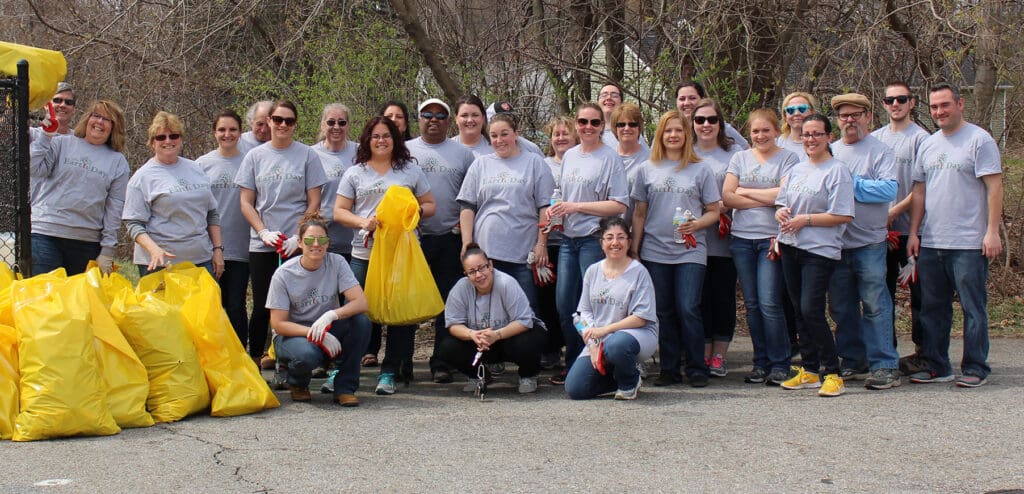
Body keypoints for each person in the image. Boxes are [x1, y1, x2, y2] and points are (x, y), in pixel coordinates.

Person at [906, 82, 1003, 388]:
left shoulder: (979, 140)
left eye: (945, 105)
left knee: (973, 308)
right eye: (934, 107)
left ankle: (975, 366)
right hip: (933, 241)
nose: (939, 112)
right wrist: (914, 232)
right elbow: (919, 191)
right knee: (933, 309)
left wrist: (991, 232)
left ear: (960, 104)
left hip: (969, 243)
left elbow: (994, 187)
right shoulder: (929, 144)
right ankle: (937, 365)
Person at [334, 116, 436, 395]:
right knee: (355, 313)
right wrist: (361, 222)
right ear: (367, 139)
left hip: (400, 256)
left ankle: (390, 371)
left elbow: (430, 205)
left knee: (400, 316)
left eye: (387, 136)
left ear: (395, 139)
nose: (381, 140)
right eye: (375, 136)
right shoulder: (355, 173)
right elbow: (339, 211)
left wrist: (412, 211)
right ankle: (343, 370)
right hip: (364, 254)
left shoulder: (410, 171)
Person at [631, 109, 720, 388]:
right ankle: (669, 368)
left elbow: (714, 211)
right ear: (660, 134)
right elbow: (639, 214)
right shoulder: (646, 169)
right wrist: (635, 249)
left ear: (686, 135)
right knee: (663, 311)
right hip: (655, 250)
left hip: (690, 250)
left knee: (688, 307)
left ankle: (696, 367)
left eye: (678, 130)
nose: (673, 135)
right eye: (668, 130)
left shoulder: (701, 168)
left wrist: (697, 224)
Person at [236, 100, 328, 364]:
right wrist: (263, 231)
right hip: (264, 243)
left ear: (295, 124)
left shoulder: (308, 155)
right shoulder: (255, 156)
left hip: (297, 243)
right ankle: (255, 357)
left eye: (289, 121)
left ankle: (289, 358)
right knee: (264, 304)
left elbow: (314, 201)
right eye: (278, 120)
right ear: (269, 123)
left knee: (296, 304)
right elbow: (246, 202)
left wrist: (298, 237)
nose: (283, 125)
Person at [547, 102, 628, 384]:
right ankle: (576, 362)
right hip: (568, 240)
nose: (588, 127)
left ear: (602, 126)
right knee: (565, 304)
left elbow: (618, 204)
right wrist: (557, 211)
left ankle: (600, 362)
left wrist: (576, 206)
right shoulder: (569, 155)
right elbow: (563, 198)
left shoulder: (610, 158)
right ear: (576, 125)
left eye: (594, 123)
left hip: (594, 239)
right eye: (583, 122)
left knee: (594, 305)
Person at [775, 113, 854, 397]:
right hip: (790, 245)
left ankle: (832, 372)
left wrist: (805, 220)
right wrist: (781, 211)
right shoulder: (797, 169)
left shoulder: (837, 171)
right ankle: (809, 370)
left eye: (817, 134)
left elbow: (843, 214)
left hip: (819, 251)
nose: (811, 140)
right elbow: (782, 203)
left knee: (811, 309)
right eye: (807, 135)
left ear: (829, 137)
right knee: (798, 310)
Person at [827, 93, 901, 390]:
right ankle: (853, 359)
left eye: (856, 114)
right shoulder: (830, 151)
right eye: (844, 116)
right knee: (841, 307)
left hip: (870, 242)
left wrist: (849, 183)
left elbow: (887, 190)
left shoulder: (881, 152)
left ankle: (884, 365)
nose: (850, 120)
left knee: (875, 304)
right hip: (836, 243)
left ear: (869, 116)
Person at [723, 109, 800, 385]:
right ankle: (760, 362)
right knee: (753, 305)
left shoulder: (788, 158)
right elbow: (727, 197)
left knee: (770, 302)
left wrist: (745, 191)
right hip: (742, 239)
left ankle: (780, 362)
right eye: (755, 131)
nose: (760, 136)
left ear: (776, 131)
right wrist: (765, 198)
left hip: (771, 239)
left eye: (765, 130)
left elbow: (785, 194)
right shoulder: (740, 158)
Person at [266, 215, 372, 406]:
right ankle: (297, 383)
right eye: (309, 240)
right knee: (306, 356)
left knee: (361, 322)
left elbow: (361, 302)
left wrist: (331, 315)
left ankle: (345, 388)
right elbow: (278, 323)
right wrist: (314, 333)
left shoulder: (337, 262)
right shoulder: (284, 274)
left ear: (328, 242)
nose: (316, 244)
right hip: (294, 334)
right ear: (299, 242)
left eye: (321, 239)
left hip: (328, 326)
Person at [407, 97, 475, 384]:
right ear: (418, 119)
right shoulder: (406, 151)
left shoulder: (462, 154)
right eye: (427, 114)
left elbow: (470, 198)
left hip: (450, 238)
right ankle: (401, 364)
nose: (433, 119)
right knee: (410, 303)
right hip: (412, 240)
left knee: (448, 303)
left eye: (440, 115)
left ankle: (441, 363)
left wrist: (465, 239)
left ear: (449, 121)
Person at [457, 112, 555, 308]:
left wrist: (541, 243)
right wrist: (467, 243)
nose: (499, 140)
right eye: (494, 136)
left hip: (522, 254)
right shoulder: (480, 164)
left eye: (504, 134)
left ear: (516, 134)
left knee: (525, 312)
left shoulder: (535, 163)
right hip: (486, 255)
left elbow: (545, 206)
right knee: (489, 311)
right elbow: (467, 206)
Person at [29, 99, 129, 276]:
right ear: (87, 119)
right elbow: (33, 168)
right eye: (96, 116)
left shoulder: (118, 162)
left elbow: (114, 209)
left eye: (107, 119)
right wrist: (46, 135)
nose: (99, 122)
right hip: (45, 234)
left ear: (114, 127)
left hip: (86, 243)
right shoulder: (61, 143)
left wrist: (107, 250)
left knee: (76, 302)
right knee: (43, 298)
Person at [871, 82, 930, 374]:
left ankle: (924, 352)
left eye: (901, 99)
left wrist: (895, 210)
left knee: (920, 297)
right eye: (889, 99)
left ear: (912, 102)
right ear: (882, 104)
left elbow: (922, 185)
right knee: (883, 294)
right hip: (880, 232)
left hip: (911, 230)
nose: (895, 104)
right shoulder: (875, 139)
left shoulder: (922, 139)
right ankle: (886, 353)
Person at [565, 217, 658, 400]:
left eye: (621, 237)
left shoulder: (639, 272)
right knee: (575, 388)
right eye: (609, 238)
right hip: (600, 338)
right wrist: (592, 343)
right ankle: (622, 373)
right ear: (602, 243)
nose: (615, 243)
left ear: (629, 242)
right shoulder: (593, 271)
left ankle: (628, 383)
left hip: (635, 334)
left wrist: (604, 330)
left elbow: (641, 317)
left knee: (617, 344)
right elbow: (583, 312)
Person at [437, 243, 546, 394]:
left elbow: (525, 321)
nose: (479, 275)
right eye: (472, 272)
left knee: (531, 339)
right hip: (480, 341)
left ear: (490, 265)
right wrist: (471, 334)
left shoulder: (507, 283)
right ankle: (478, 377)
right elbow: (453, 324)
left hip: (508, 337)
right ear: (466, 275)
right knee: (447, 347)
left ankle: (528, 375)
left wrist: (497, 335)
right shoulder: (460, 289)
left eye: (482, 268)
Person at [123, 111, 222, 277]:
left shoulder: (196, 169)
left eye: (173, 136)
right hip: (160, 265)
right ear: (152, 143)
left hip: (201, 262)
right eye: (161, 137)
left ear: (181, 139)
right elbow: (133, 223)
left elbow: (212, 213)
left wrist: (218, 250)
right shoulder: (142, 177)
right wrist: (154, 250)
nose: (168, 141)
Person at [691, 99, 742, 378]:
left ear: (720, 124)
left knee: (722, 297)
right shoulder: (686, 153)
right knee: (698, 300)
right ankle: (704, 351)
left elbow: (743, 188)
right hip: (693, 238)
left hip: (724, 237)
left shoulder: (734, 153)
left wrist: (719, 206)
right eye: (700, 120)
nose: (706, 125)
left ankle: (719, 355)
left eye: (712, 120)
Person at [197, 110, 249, 344]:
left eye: (232, 129)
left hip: (242, 247)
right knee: (212, 306)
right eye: (222, 130)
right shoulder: (201, 165)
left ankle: (241, 359)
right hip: (208, 249)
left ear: (240, 133)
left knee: (237, 305)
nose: (227, 134)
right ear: (214, 133)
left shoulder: (251, 160)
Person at [538, 116, 579, 368]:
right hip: (546, 241)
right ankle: (550, 348)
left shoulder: (580, 164)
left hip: (572, 240)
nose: (561, 138)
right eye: (556, 134)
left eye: (566, 134)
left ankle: (574, 348)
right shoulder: (543, 165)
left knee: (571, 300)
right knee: (548, 300)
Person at [312, 103, 358, 260]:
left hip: (356, 240)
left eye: (342, 122)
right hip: (323, 240)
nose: (336, 127)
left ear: (348, 125)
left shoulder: (361, 152)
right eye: (331, 122)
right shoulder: (310, 154)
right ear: (322, 125)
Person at [674, 80, 748, 149]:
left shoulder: (721, 128)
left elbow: (747, 150)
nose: (687, 103)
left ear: (702, 100)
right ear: (676, 101)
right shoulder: (671, 129)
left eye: (692, 98)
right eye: (682, 99)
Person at [610, 102, 650, 223]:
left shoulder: (650, 159)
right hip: (607, 232)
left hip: (638, 228)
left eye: (632, 124)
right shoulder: (607, 157)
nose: (627, 128)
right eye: (621, 124)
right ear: (615, 128)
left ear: (639, 128)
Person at [598, 83, 649, 150]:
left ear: (621, 102)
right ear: (597, 101)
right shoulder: (589, 130)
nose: (608, 98)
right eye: (604, 95)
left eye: (614, 95)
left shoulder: (630, 132)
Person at [777, 91, 818, 158]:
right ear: (785, 115)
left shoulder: (822, 143)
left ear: (812, 112)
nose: (796, 113)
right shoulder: (778, 143)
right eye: (790, 110)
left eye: (802, 109)